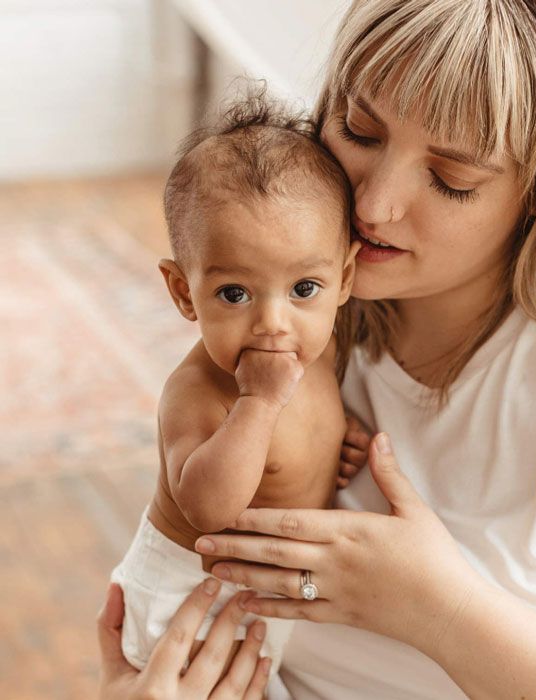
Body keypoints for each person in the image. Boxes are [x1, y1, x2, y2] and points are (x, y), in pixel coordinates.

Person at [99, 0, 536, 697]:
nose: (373, 204)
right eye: (359, 130)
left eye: (452, 179)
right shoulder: (300, 304)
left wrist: (440, 613)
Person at [107, 93, 366, 687]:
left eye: (304, 287)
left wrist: (337, 446)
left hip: (255, 598)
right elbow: (208, 508)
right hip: (184, 598)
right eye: (234, 294)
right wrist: (259, 403)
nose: (274, 322)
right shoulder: (200, 391)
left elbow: (301, 439)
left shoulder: (313, 354)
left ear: (344, 278)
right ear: (181, 292)